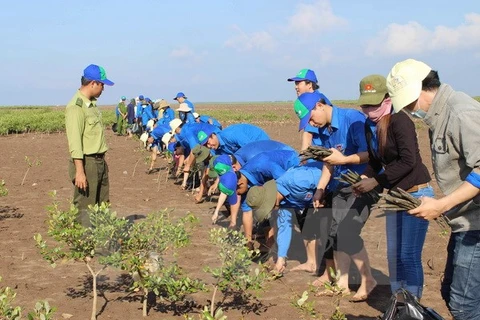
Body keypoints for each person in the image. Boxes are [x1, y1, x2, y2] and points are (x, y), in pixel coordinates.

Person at [386, 59, 480, 319]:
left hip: (477, 224)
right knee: (452, 292)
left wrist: (441, 204)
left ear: (422, 89)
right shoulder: (438, 117)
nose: (407, 109)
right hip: (465, 221)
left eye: (408, 102)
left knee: (464, 305)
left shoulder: (460, 113)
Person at [351, 74, 433, 299]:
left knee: (408, 255)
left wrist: (375, 181)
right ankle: (399, 302)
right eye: (366, 105)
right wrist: (363, 179)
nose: (370, 110)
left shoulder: (400, 120)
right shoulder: (371, 126)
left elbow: (409, 161)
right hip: (395, 195)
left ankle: (412, 303)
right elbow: (376, 161)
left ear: (387, 99)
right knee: (393, 255)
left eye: (374, 104)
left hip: (415, 192)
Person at [295, 91, 377, 302]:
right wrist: (320, 188)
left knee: (347, 231)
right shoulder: (325, 130)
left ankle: (368, 279)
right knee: (335, 233)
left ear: (320, 105)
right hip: (340, 186)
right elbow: (329, 162)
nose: (311, 123)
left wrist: (344, 160)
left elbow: (372, 154)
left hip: (363, 183)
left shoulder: (353, 120)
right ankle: (342, 284)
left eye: (311, 117)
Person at [288, 68, 333, 275]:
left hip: (321, 168)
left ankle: (320, 264)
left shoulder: (317, 103)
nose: (296, 86)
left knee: (317, 215)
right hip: (316, 166)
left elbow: (310, 137)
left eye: (300, 82)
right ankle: (313, 261)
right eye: (295, 83)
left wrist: (304, 159)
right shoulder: (307, 104)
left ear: (311, 84)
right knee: (310, 215)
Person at [246, 162, 323, 274]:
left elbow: (327, 175)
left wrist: (323, 195)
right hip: (312, 204)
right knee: (307, 224)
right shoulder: (282, 204)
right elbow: (284, 228)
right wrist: (281, 258)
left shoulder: (297, 180)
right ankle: (312, 263)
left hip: (337, 188)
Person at [65, 64, 114, 227]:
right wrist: (80, 171)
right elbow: (75, 142)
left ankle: (100, 248)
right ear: (93, 83)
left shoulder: (91, 105)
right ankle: (84, 249)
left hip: (99, 162)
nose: (103, 89)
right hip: (87, 163)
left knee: (102, 205)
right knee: (85, 208)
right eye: (102, 85)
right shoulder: (76, 107)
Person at [287, 68, 332, 149]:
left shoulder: (315, 103)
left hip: (321, 148)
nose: (295, 87)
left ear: (309, 85)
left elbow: (308, 133)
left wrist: (304, 156)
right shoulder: (315, 98)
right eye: (295, 83)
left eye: (298, 83)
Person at [197, 123, 270, 155]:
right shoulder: (216, 149)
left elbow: (251, 149)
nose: (209, 146)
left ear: (212, 135)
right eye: (206, 146)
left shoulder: (230, 135)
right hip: (248, 150)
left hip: (260, 143)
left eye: (208, 143)